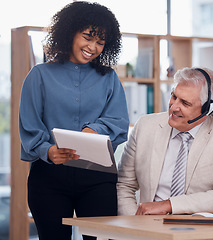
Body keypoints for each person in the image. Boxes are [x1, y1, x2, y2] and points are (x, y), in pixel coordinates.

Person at [19, 2, 129, 240]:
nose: (93, 47)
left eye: (100, 42)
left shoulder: (109, 78)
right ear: (70, 32)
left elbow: (119, 122)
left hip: (98, 178)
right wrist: (47, 150)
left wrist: (94, 129)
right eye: (88, 37)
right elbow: (29, 125)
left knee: (102, 238)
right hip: (49, 178)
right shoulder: (39, 75)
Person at [117, 67, 213, 215]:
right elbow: (124, 185)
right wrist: (135, 226)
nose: (174, 107)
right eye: (174, 96)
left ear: (207, 109)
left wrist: (169, 205)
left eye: (185, 103)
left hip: (198, 231)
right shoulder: (145, 126)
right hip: (147, 228)